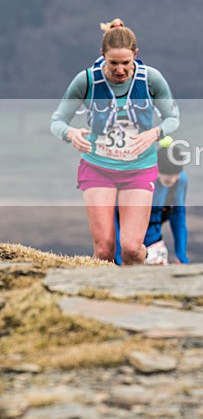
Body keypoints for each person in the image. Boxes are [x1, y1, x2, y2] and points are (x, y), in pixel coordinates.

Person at [50, 18, 180, 264]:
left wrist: (155, 133)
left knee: (131, 248)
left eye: (125, 63)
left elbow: (173, 117)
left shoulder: (150, 79)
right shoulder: (86, 81)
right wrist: (71, 134)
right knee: (104, 250)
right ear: (102, 55)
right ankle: (106, 298)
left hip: (139, 169)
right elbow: (57, 121)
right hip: (98, 168)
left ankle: (151, 262)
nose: (120, 70)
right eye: (113, 64)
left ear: (136, 55)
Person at [114, 139, 190, 265]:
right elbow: (116, 216)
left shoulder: (180, 181)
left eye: (176, 174)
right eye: (167, 175)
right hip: (129, 243)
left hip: (154, 241)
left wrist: (181, 255)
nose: (172, 179)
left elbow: (178, 216)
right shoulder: (139, 179)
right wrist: (118, 254)